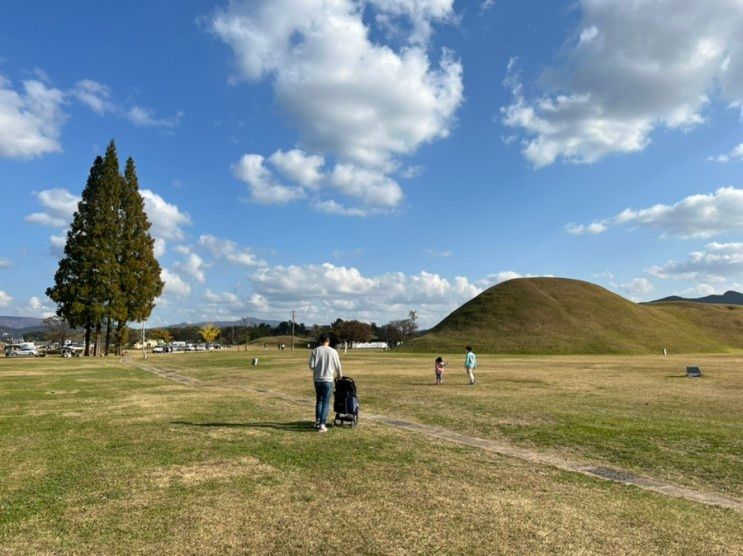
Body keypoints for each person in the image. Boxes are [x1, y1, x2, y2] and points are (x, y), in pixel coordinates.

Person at [309, 334, 343, 432]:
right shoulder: (333, 351)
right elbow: (338, 366)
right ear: (329, 341)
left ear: (320, 341)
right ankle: (322, 425)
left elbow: (311, 366)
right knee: (326, 402)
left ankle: (318, 421)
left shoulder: (315, 351)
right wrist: (340, 376)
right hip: (328, 380)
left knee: (319, 400)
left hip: (318, 380)